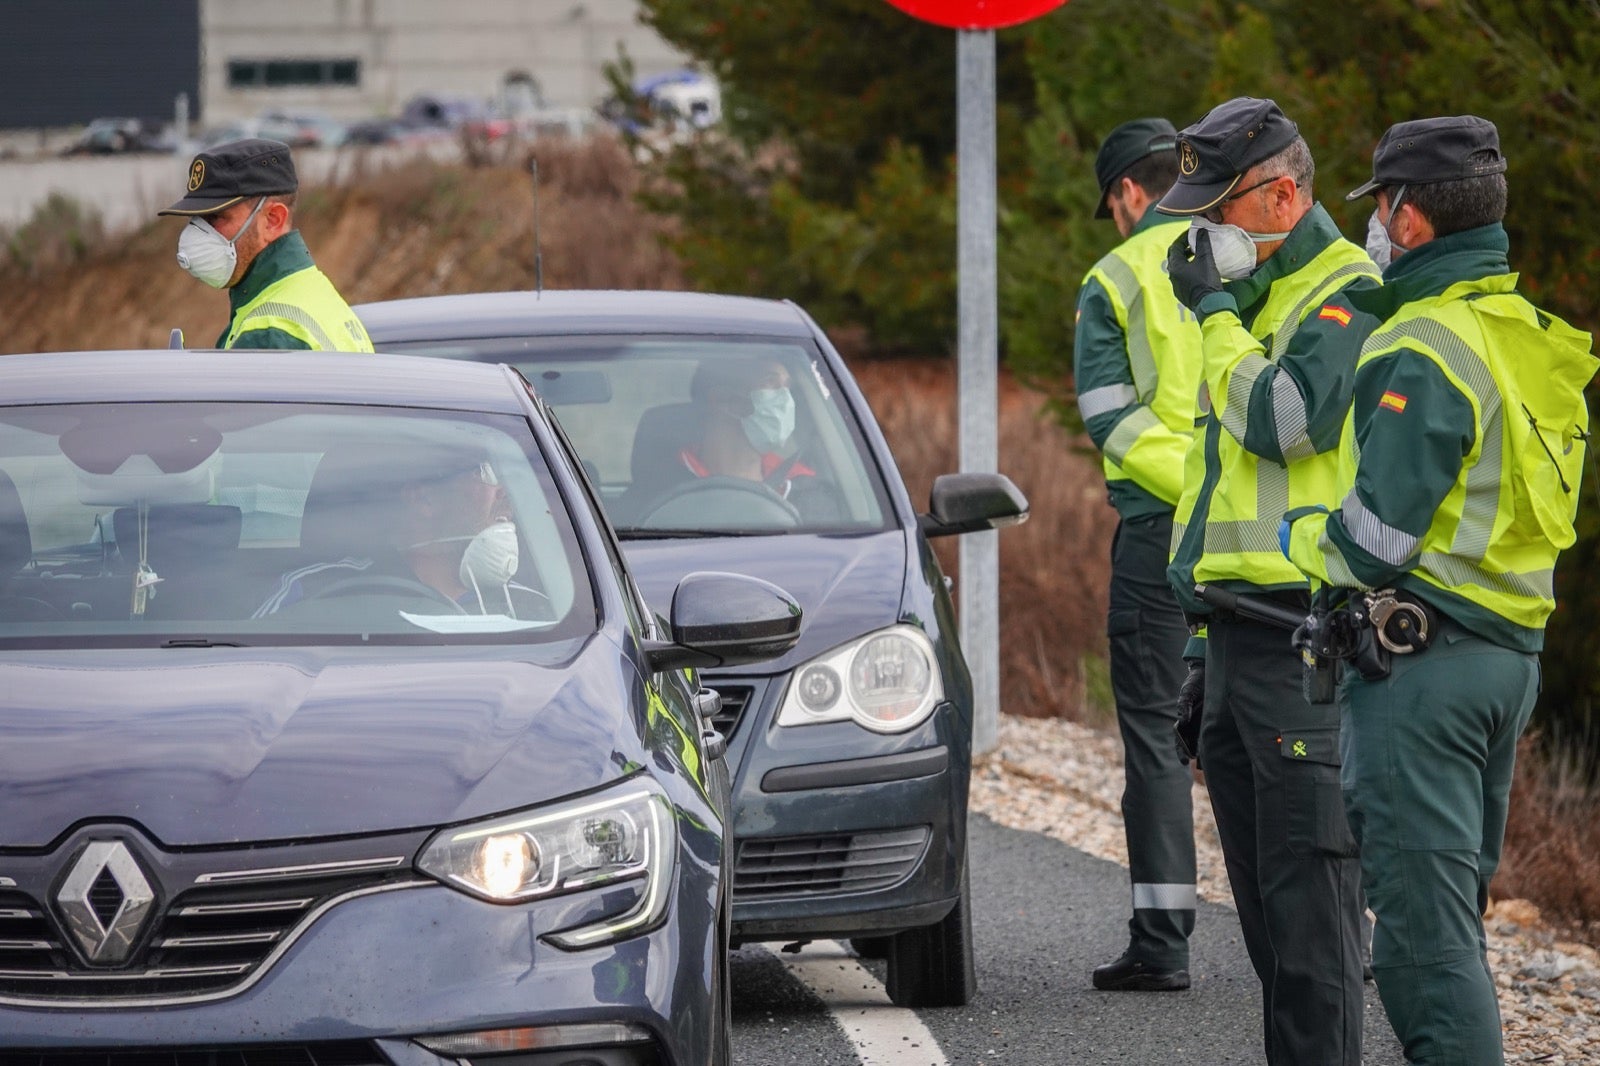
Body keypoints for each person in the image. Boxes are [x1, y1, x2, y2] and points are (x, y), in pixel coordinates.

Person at [1283, 116, 1595, 1066]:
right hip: (1504, 662)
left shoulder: (1421, 343)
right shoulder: (1524, 335)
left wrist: (1300, 537)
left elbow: (1378, 538)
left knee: (1420, 943)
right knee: (1451, 915)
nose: (1374, 224)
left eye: (1378, 206)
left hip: (1422, 672)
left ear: (1409, 218)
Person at [1158, 97, 1381, 1065]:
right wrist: (1204, 646)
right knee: (1268, 932)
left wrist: (1212, 312)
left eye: (1220, 209)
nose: (1205, 233)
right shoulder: (1260, 303)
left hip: (1305, 643)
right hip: (1238, 635)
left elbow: (1284, 423)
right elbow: (1222, 495)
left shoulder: (1345, 292)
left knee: (1313, 930)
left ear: (1282, 193)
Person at [1073, 118, 1202, 993]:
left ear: (1127, 192)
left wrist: (1190, 486)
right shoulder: (1247, 255)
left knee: (1157, 736)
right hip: (1268, 535)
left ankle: (1163, 942)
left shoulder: (1113, 278)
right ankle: (1336, 933)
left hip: (1163, 531)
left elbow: (1111, 420)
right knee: (1288, 733)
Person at [255, 445, 540, 618]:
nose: (505, 491)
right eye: (487, 473)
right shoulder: (312, 593)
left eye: (508, 475)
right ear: (423, 499)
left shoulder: (531, 609)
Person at [159, 138, 374, 352]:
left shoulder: (269, 333)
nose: (198, 233)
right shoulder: (317, 294)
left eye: (215, 217)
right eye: (196, 219)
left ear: (272, 220)